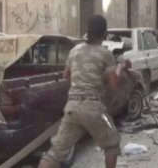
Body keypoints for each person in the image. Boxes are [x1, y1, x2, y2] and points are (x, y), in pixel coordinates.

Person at [38, 15, 122, 168]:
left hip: (72, 107)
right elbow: (114, 84)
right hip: (94, 108)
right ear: (105, 33)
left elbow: (66, 75)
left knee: (55, 152)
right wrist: (120, 68)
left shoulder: (75, 50)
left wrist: (83, 81)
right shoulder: (105, 53)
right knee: (112, 145)